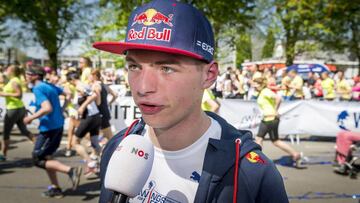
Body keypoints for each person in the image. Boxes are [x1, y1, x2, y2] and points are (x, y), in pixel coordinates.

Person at [94, 0, 288, 202]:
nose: (143, 88)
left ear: (209, 75)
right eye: (134, 67)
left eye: (166, 69)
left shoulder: (251, 173)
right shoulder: (117, 147)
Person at [23, 66, 82, 198]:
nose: (26, 77)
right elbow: (68, 93)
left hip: (49, 129)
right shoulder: (48, 85)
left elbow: (47, 108)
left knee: (37, 159)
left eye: (27, 74)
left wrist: (30, 118)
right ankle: (56, 188)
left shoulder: (38, 88)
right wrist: (62, 108)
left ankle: (71, 171)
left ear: (35, 75)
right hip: (57, 125)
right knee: (48, 157)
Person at [253, 77, 301, 167]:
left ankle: (259, 161)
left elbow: (278, 98)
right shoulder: (263, 91)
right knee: (275, 141)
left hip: (270, 118)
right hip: (269, 118)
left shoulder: (265, 91)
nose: (253, 85)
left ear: (260, 85)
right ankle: (295, 154)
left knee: (259, 139)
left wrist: (275, 110)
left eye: (255, 84)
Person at [66, 71, 102, 177]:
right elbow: (95, 97)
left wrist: (83, 107)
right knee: (95, 142)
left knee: (74, 142)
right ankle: (106, 161)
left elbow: (94, 95)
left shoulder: (79, 86)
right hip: (95, 116)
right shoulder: (83, 85)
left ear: (72, 80)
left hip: (90, 117)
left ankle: (91, 163)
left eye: (69, 82)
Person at [0, 65, 35, 161]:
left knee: (6, 133)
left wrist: (4, 94)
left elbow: (19, 95)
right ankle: (39, 148)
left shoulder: (14, 81)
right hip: (19, 108)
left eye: (7, 69)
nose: (5, 71)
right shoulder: (14, 80)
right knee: (24, 130)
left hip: (13, 109)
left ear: (11, 71)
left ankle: (3, 155)